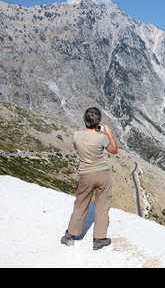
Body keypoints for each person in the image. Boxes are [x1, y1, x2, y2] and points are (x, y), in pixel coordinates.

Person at [61, 107, 118, 250]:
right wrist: (109, 135)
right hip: (102, 174)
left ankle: (70, 235)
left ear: (85, 120)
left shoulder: (76, 135)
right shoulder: (102, 137)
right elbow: (114, 150)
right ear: (98, 121)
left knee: (80, 204)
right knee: (102, 206)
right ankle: (99, 239)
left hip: (86, 174)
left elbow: (76, 148)